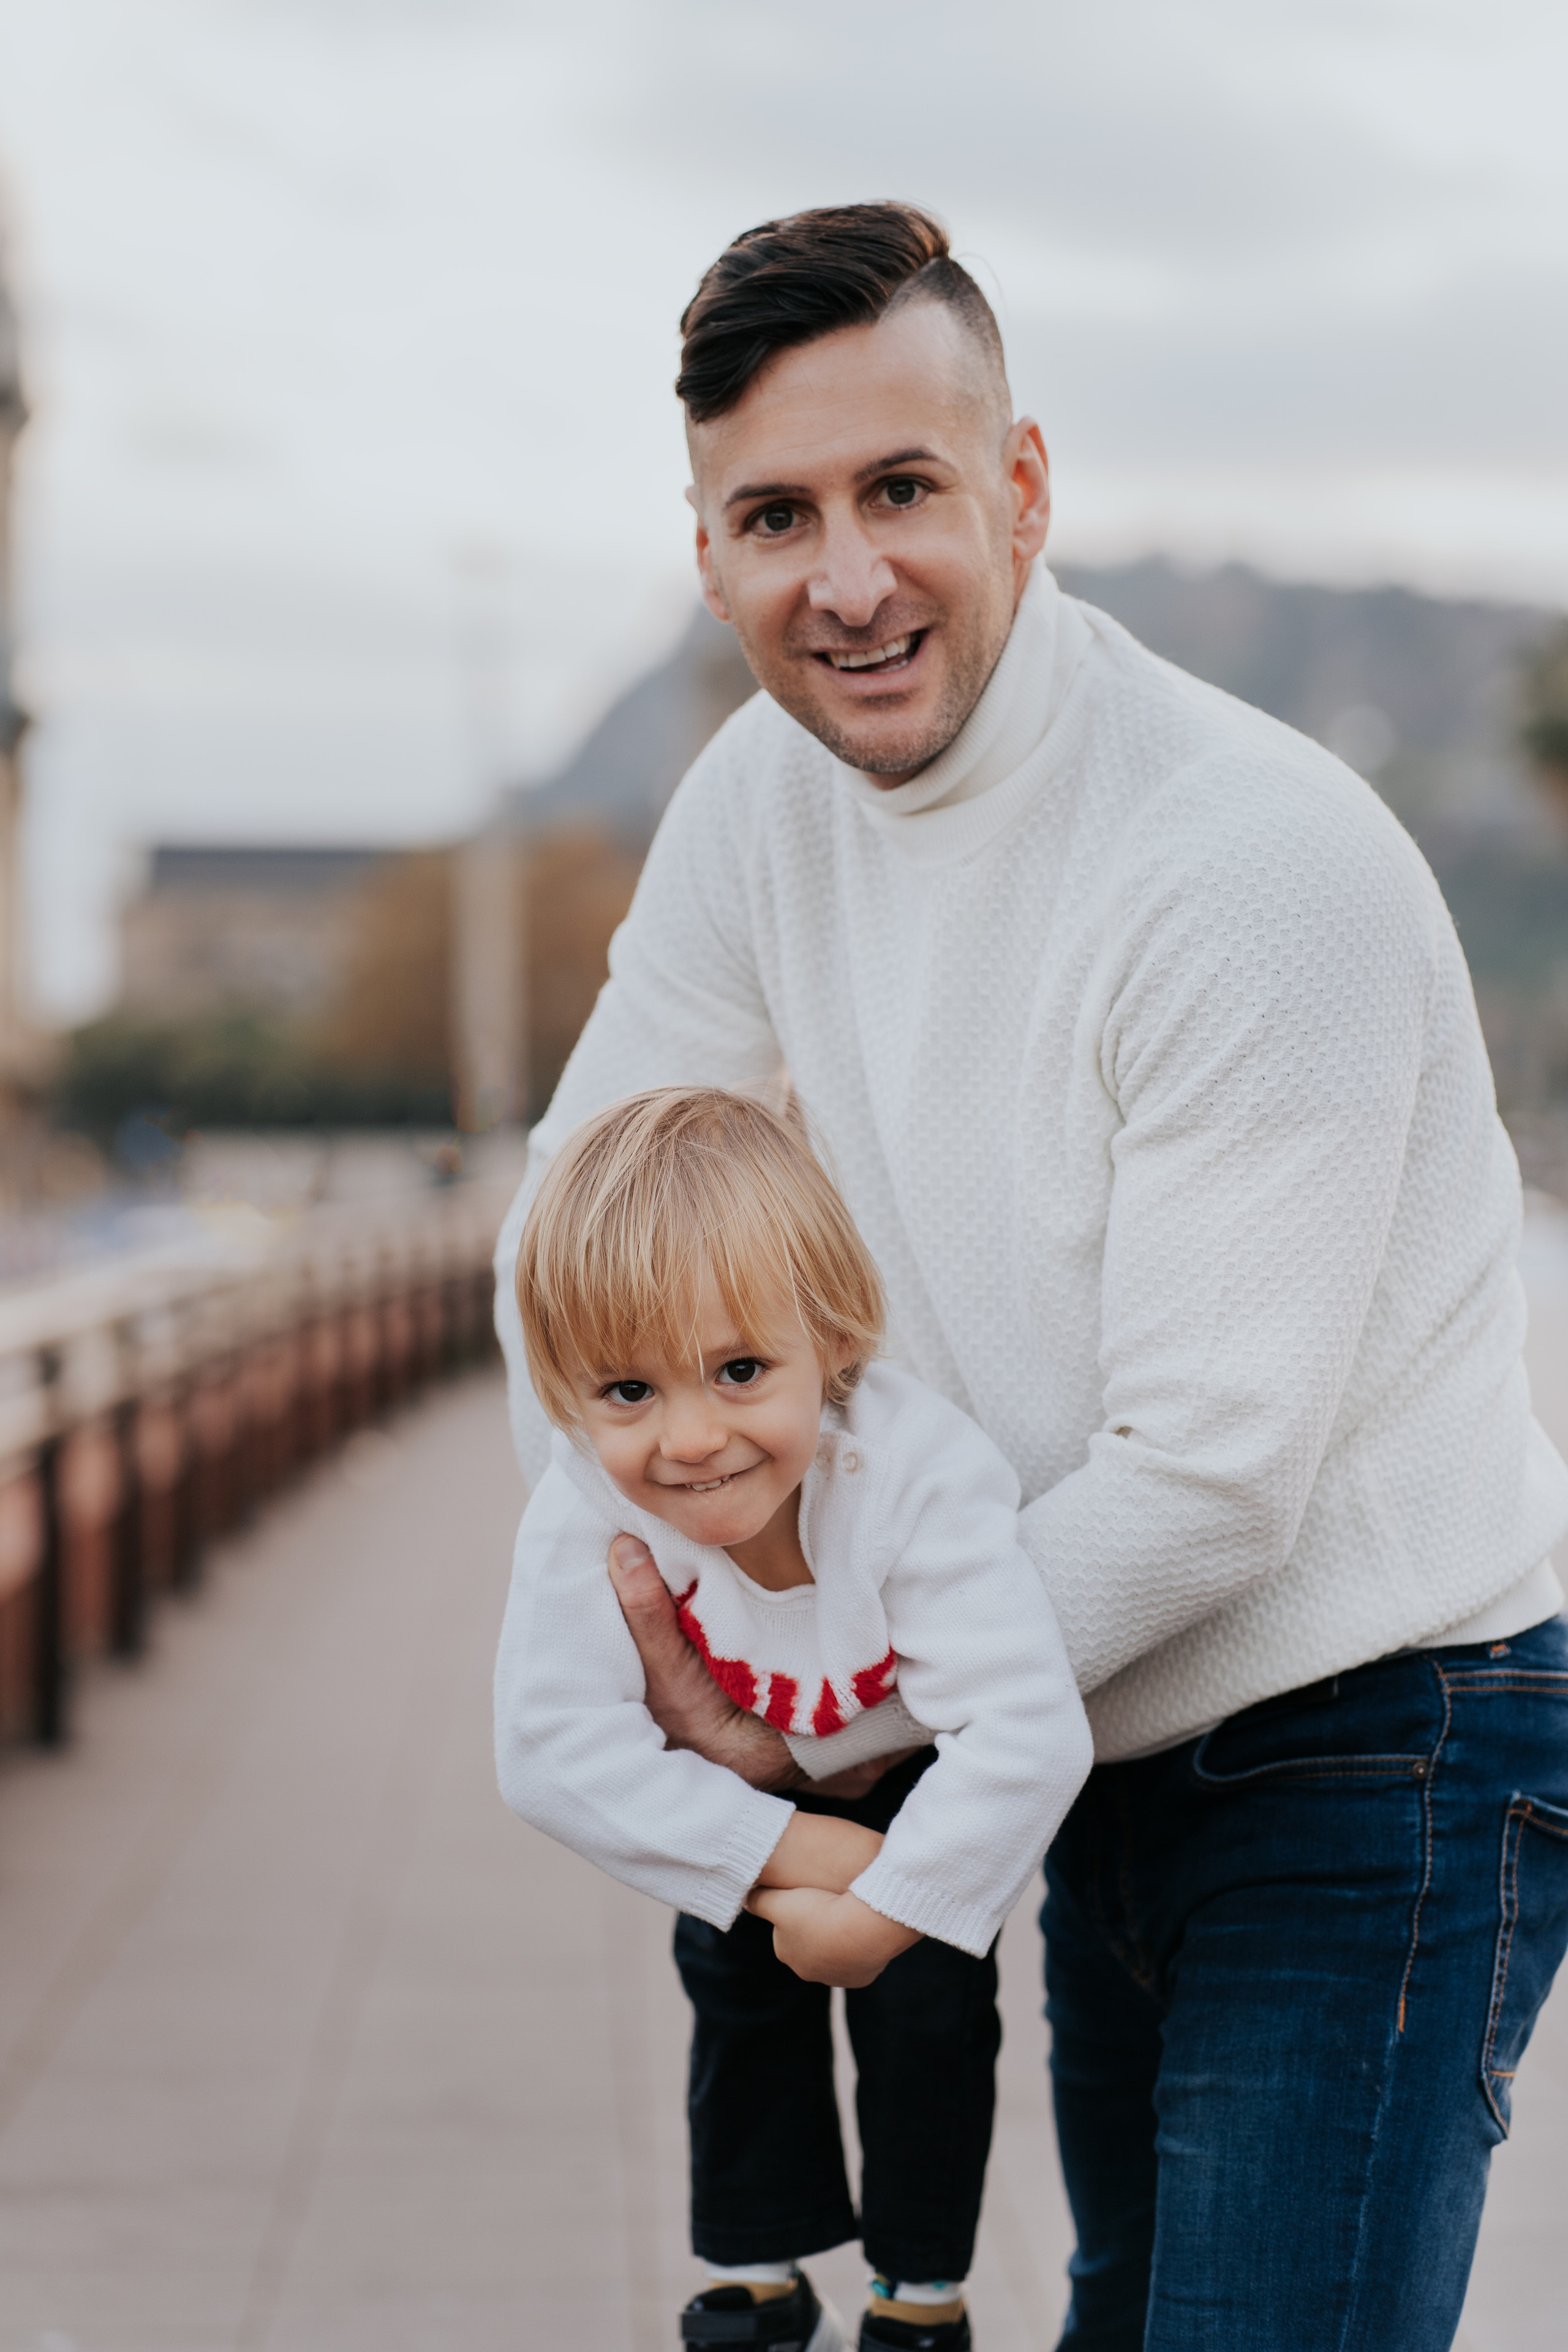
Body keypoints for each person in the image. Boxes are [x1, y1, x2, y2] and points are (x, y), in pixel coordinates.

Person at [494, 202, 1568, 2351]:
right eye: (777, 515)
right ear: (707, 555)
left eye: (905, 490)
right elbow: (571, 1250)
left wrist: (819, 1735)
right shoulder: (755, 809)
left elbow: (1210, 1485)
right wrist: (695, 1617)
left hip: (1376, 1743)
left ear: (1027, 489)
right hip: (1067, 1734)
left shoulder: (1240, 863)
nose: (851, 578)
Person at [496, 1087, 1090, 2352]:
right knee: (728, 1980)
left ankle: (917, 2289)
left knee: (930, 2006)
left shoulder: (921, 1473)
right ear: (564, 1396)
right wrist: (803, 1865)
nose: (689, 1439)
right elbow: (550, 1744)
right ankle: (753, 2273)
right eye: (624, 1391)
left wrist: (878, 1913)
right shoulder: (580, 1500)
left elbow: (1025, 1732)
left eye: (739, 1371)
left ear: (830, 1339)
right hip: (749, 1805)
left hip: (918, 1773)